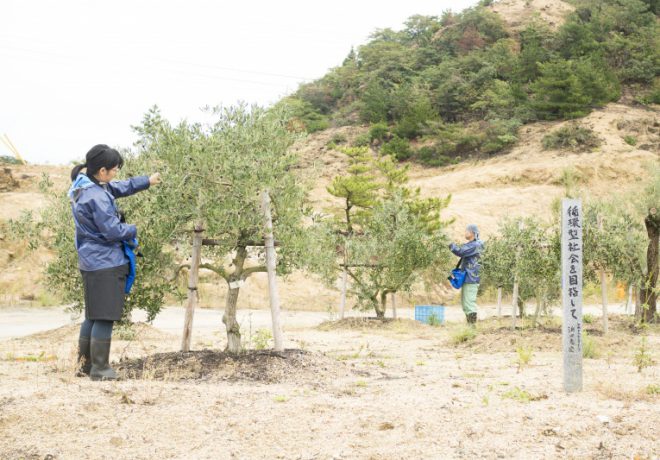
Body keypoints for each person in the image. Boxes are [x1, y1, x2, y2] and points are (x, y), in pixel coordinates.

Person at [69, 144, 161, 381]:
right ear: (102, 171)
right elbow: (111, 231)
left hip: (91, 261)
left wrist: (146, 181)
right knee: (105, 316)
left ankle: (85, 365)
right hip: (106, 263)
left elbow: (119, 187)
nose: (116, 173)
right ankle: (101, 369)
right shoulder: (97, 197)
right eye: (114, 169)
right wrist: (133, 228)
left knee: (93, 315)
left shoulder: (85, 186)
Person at [449, 224, 484, 325]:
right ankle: (469, 326)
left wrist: (451, 245)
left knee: (469, 304)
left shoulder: (475, 245)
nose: (465, 233)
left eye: (466, 231)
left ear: (472, 232)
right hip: (469, 278)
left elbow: (460, 251)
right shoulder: (474, 244)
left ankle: (472, 327)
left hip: (471, 279)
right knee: (466, 304)